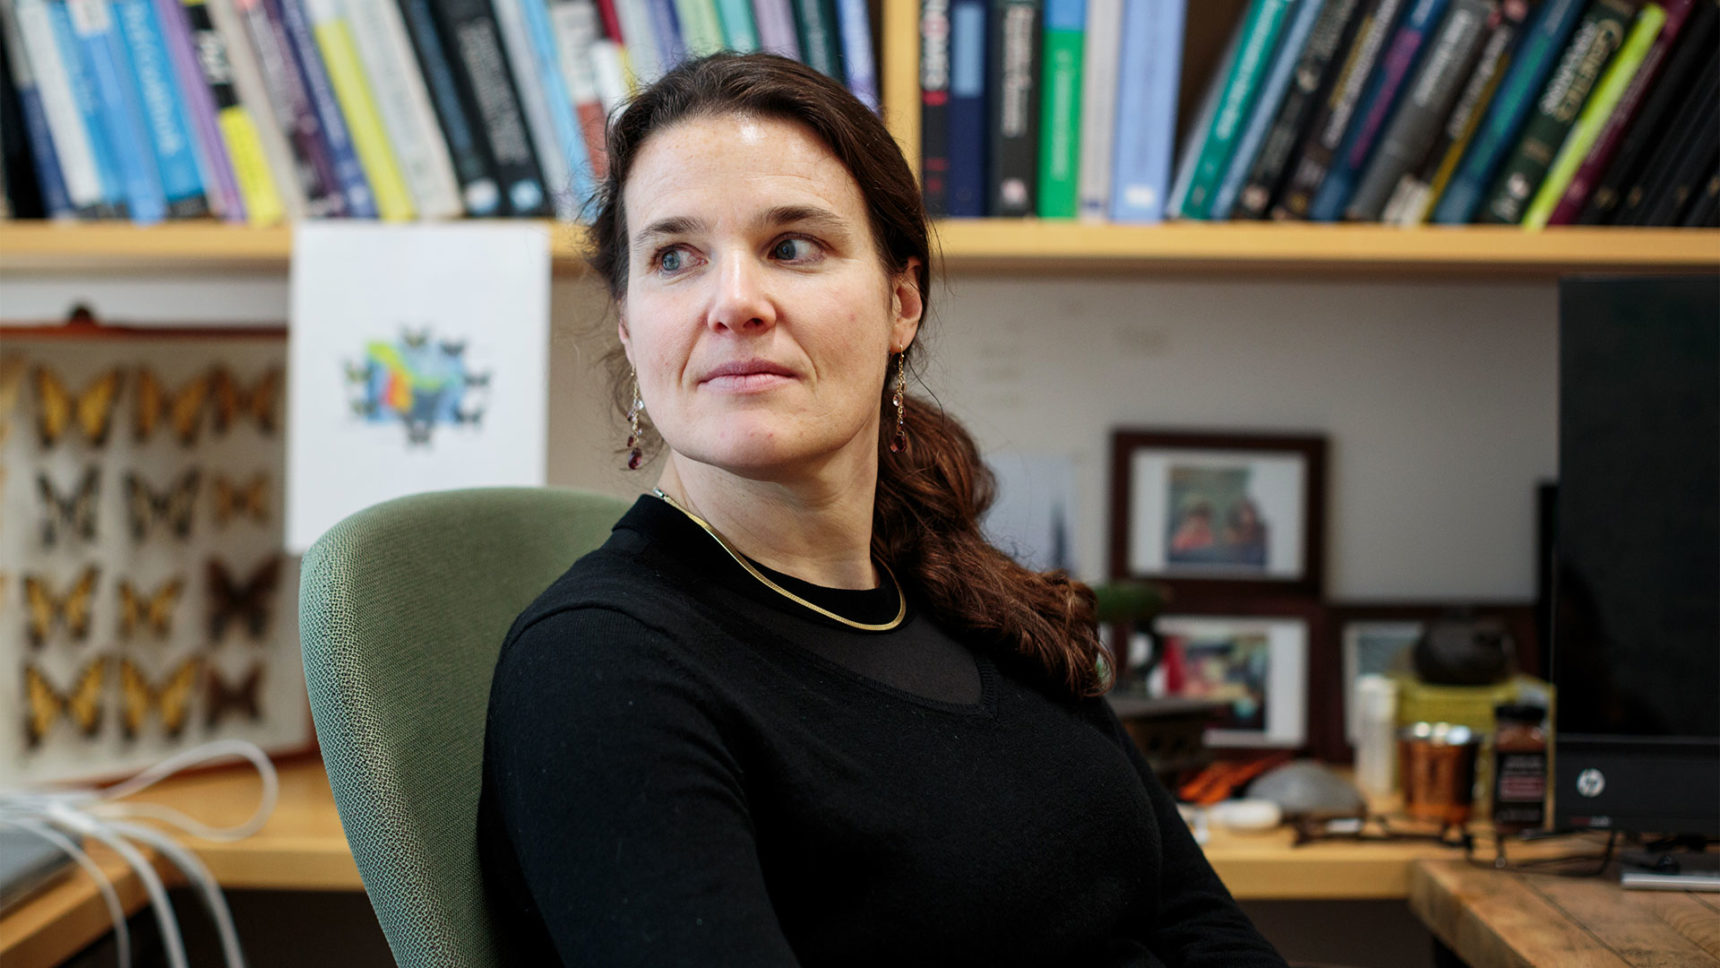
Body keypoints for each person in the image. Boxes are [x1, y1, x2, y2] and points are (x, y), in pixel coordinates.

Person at [476, 52, 1288, 967]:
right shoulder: (599, 666)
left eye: (792, 246)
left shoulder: (964, 592)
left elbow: (1198, 923)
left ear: (901, 302)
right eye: (675, 257)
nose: (735, 301)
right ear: (631, 328)